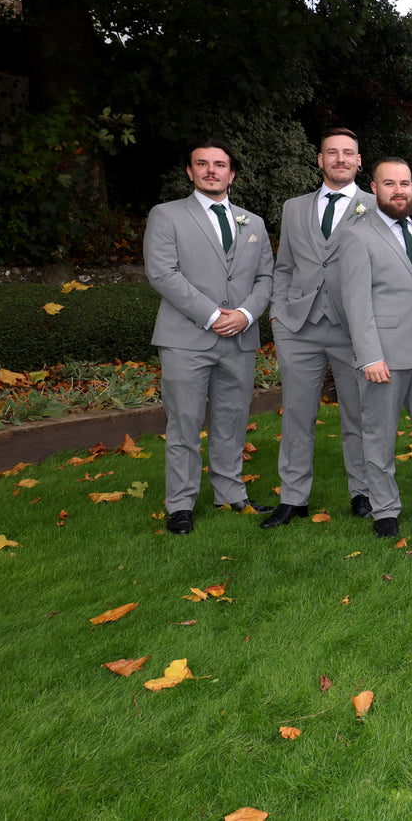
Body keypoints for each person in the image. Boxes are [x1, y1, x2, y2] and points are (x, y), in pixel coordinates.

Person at [144, 139, 276, 536]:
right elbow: (162, 273)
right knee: (184, 423)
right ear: (190, 171)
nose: (211, 170)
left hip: (240, 338)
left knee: (233, 421)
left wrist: (247, 314)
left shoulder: (252, 222)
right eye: (202, 164)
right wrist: (214, 315)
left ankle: (231, 493)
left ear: (231, 173)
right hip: (186, 337)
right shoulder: (167, 216)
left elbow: (266, 277)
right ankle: (180, 504)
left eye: (219, 165)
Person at [337, 158, 412, 538]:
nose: (399, 190)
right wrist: (369, 355)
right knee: (379, 431)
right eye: (389, 183)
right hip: (384, 355)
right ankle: (385, 508)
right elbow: (355, 302)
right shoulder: (357, 235)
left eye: (405, 183)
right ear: (373, 188)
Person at [261, 127, 371, 529]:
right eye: (332, 153)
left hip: (353, 329)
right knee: (297, 415)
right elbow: (285, 266)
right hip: (298, 326)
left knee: (359, 415)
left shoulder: (377, 207)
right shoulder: (294, 208)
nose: (340, 159)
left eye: (348, 153)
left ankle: (364, 493)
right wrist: (278, 314)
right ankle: (293, 498)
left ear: (359, 161)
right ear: (319, 159)